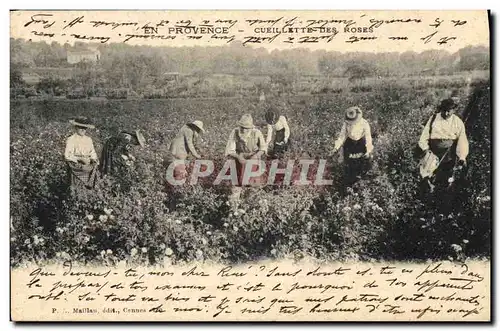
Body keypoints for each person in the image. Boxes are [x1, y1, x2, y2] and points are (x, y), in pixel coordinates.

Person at [418, 98, 469, 193]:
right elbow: (424, 135)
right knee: (426, 176)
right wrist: (426, 149)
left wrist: (462, 157)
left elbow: (462, 141)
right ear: (441, 109)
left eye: (449, 111)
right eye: (444, 111)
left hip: (449, 155)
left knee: (448, 179)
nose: (446, 114)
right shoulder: (433, 118)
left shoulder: (457, 122)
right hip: (432, 153)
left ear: (453, 110)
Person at [225, 114, 267, 209]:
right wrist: (238, 156)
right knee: (237, 185)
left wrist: (256, 156)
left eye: (246, 128)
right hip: (240, 160)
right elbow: (230, 150)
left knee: (254, 185)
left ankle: (254, 208)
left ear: (251, 127)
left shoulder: (256, 133)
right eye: (242, 127)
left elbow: (263, 148)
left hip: (253, 159)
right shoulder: (235, 132)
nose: (244, 130)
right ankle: (234, 209)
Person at [332, 106, 374, 188]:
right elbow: (342, 136)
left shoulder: (364, 123)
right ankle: (349, 185)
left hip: (361, 144)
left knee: (362, 164)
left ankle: (362, 185)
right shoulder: (346, 123)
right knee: (349, 166)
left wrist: (368, 151)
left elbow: (368, 138)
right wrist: (336, 148)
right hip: (349, 145)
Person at [64, 117, 99, 194]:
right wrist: (80, 159)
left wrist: (94, 159)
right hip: (76, 168)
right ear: (76, 127)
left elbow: (92, 152)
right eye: (81, 128)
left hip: (87, 168)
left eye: (85, 128)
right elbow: (67, 155)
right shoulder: (71, 139)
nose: (83, 130)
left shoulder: (88, 139)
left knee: (87, 189)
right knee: (76, 188)